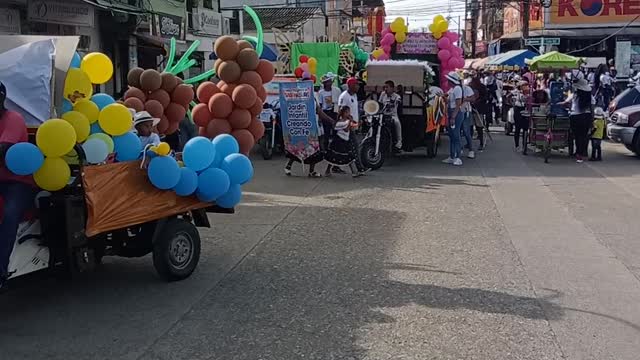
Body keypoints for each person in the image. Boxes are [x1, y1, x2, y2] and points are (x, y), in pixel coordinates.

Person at [0, 82, 38, 290]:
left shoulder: (12, 119)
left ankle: (1, 270)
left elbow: (3, 149)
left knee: (10, 213)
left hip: (17, 182)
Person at [324, 106, 363, 177]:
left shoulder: (347, 121)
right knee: (333, 156)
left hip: (345, 141)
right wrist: (350, 122)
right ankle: (327, 170)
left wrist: (358, 124)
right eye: (347, 112)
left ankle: (354, 172)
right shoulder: (340, 122)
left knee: (349, 156)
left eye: (349, 112)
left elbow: (352, 126)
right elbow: (346, 129)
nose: (348, 114)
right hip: (338, 141)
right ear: (343, 113)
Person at [562, 79, 593, 163]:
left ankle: (578, 154)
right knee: (583, 137)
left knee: (576, 137)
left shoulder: (574, 95)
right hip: (586, 117)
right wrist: (592, 121)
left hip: (575, 117)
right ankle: (581, 153)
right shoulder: (590, 96)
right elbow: (592, 109)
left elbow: (565, 103)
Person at [338, 77, 365, 172]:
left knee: (342, 148)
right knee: (354, 147)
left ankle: (333, 166)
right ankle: (359, 168)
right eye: (356, 84)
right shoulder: (344, 96)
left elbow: (354, 110)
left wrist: (359, 120)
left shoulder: (354, 96)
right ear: (350, 86)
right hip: (347, 126)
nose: (358, 87)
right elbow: (341, 111)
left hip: (353, 125)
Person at [442, 72, 464, 166]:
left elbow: (458, 104)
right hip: (451, 111)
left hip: (456, 113)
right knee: (451, 135)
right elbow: (448, 101)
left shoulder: (457, 89)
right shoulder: (452, 89)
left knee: (456, 135)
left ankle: (458, 156)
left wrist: (453, 117)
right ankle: (452, 156)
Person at [379, 80, 403, 153]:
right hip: (383, 115)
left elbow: (399, 100)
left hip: (392, 115)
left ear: (392, 88)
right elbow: (379, 103)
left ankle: (399, 142)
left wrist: (395, 102)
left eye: (387, 87)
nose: (385, 89)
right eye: (385, 87)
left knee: (397, 123)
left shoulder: (396, 96)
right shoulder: (383, 94)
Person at [512, 81, 529, 154]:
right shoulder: (516, 92)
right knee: (517, 128)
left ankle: (524, 146)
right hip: (518, 110)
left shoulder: (529, 93)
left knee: (526, 129)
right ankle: (517, 145)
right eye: (523, 85)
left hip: (526, 110)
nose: (525, 87)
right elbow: (509, 96)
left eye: (526, 85)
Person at [461, 77, 476, 158]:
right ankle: (459, 149)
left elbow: (473, 98)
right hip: (457, 111)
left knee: (466, 131)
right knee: (457, 131)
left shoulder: (467, 88)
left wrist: (465, 99)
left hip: (466, 111)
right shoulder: (453, 89)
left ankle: (471, 150)